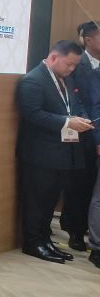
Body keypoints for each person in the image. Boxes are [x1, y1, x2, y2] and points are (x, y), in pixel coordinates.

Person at [16, 40, 95, 264]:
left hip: (62, 153)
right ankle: (33, 243)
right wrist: (67, 122)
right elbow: (33, 114)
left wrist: (80, 119)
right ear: (53, 57)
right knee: (37, 201)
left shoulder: (65, 79)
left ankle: (45, 240)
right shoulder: (33, 80)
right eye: (69, 64)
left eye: (75, 65)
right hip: (40, 153)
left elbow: (73, 105)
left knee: (50, 201)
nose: (72, 69)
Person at [67, 22, 100, 256]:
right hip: (84, 132)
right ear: (88, 40)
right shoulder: (77, 65)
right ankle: (76, 231)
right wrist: (94, 133)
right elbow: (76, 101)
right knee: (81, 184)